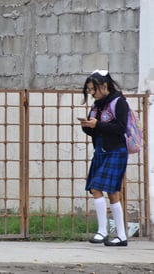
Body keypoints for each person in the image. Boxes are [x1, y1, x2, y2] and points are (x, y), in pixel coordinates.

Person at [79, 69, 128, 247]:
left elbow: (120, 128)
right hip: (100, 150)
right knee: (98, 188)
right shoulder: (96, 105)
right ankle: (109, 232)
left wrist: (98, 124)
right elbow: (96, 129)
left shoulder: (119, 102)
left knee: (108, 190)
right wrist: (87, 126)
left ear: (104, 85)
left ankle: (114, 234)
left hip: (115, 151)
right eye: (90, 90)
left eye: (93, 89)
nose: (91, 93)